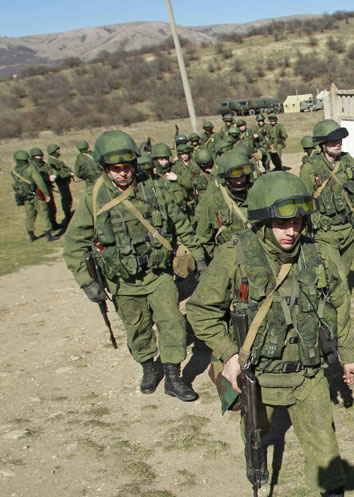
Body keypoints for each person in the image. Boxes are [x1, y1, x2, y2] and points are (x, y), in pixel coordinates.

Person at [186, 172, 354, 497]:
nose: (291, 231)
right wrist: (229, 353)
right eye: (282, 223)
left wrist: (348, 356)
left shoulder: (320, 254)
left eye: (297, 222)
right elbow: (201, 310)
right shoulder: (235, 256)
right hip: (258, 375)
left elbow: (339, 307)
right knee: (255, 431)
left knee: (325, 445)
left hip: (307, 375)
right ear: (264, 221)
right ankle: (256, 466)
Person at [62, 130, 206, 401]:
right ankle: (148, 368)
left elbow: (182, 225)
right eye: (115, 169)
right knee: (136, 326)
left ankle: (173, 376)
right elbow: (74, 245)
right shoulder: (94, 198)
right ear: (105, 168)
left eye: (127, 167)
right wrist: (86, 281)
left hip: (158, 273)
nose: (123, 174)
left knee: (172, 320)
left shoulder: (154, 188)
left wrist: (198, 257)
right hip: (122, 280)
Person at [298, 119, 354, 282]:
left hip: (349, 230)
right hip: (326, 234)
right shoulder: (310, 169)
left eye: (339, 140)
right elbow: (303, 203)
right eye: (332, 141)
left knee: (343, 273)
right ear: (322, 144)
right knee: (337, 277)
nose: (337, 144)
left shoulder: (348, 161)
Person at [194, 149, 255, 260]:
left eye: (244, 171)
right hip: (229, 257)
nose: (240, 178)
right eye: (235, 174)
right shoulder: (215, 196)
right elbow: (203, 233)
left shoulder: (256, 190)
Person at [11, 149, 57, 242]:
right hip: (36, 195)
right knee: (44, 213)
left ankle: (31, 236)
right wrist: (46, 194)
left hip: (25, 196)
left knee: (29, 216)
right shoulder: (30, 168)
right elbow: (39, 181)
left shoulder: (14, 170)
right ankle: (48, 235)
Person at [29, 147, 61, 231]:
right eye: (36, 156)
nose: (39, 157)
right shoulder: (32, 166)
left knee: (52, 207)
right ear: (33, 157)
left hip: (47, 187)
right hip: (38, 189)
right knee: (44, 209)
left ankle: (54, 223)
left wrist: (53, 175)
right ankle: (48, 228)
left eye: (40, 155)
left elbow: (51, 170)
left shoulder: (44, 164)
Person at [46, 143, 74, 224]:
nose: (59, 151)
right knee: (66, 198)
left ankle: (68, 215)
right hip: (61, 182)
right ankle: (67, 216)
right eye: (57, 150)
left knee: (68, 198)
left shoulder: (55, 160)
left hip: (64, 181)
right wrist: (68, 174)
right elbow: (58, 173)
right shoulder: (52, 161)